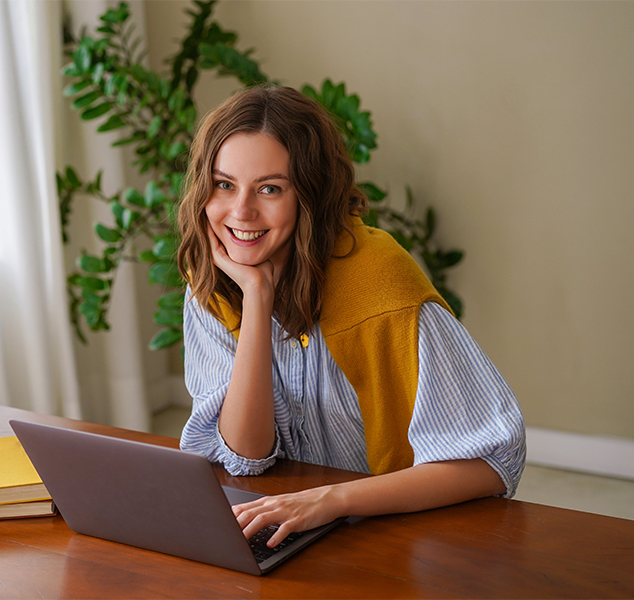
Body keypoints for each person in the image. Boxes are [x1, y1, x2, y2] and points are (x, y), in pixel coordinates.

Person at [176, 86, 525, 549]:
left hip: (399, 537)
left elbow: (492, 463)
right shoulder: (220, 280)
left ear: (312, 195)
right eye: (224, 185)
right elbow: (245, 457)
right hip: (292, 530)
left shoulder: (380, 280)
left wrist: (332, 500)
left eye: (270, 188)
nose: (241, 212)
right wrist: (257, 299)